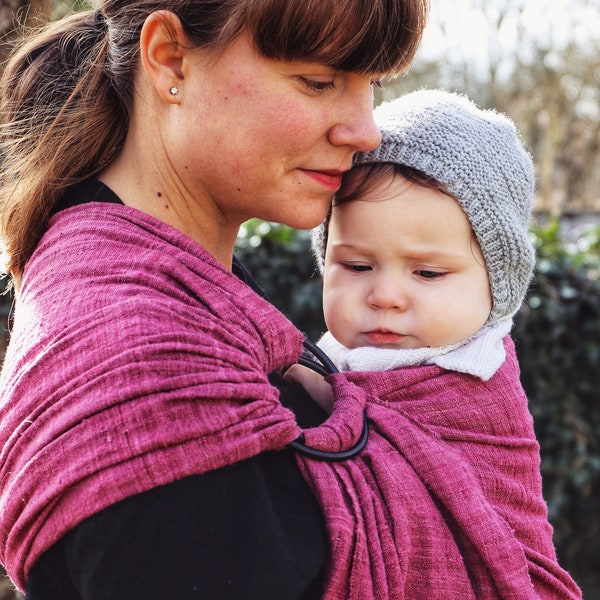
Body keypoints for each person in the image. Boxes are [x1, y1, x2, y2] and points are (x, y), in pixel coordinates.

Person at [0, 1, 430, 599]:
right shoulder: (143, 362)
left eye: (372, 86)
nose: (365, 130)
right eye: (319, 82)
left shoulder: (198, 297)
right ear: (171, 60)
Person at [286, 89, 583, 598]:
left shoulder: (477, 377)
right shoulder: (328, 355)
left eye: (426, 272)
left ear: (497, 283)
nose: (385, 296)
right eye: (356, 266)